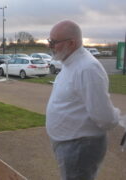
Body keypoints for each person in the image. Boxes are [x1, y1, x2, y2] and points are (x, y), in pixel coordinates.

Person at [46, 20, 121, 180]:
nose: (50, 46)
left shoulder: (87, 68)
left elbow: (104, 117)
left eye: (53, 42)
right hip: (70, 143)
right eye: (49, 41)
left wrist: (117, 116)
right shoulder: (70, 63)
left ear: (72, 43)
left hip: (80, 146)